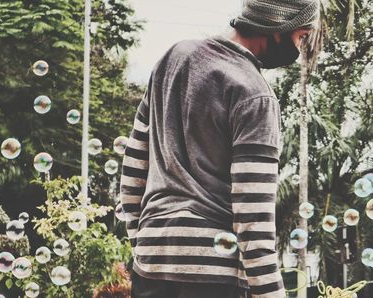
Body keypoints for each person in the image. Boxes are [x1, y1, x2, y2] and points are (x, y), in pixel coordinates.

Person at [119, 0, 320, 297]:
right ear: (279, 25)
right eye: (301, 37)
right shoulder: (255, 95)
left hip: (150, 266)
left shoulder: (172, 59)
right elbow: (252, 219)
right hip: (214, 276)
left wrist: (143, 245)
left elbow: (134, 166)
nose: (300, 48)